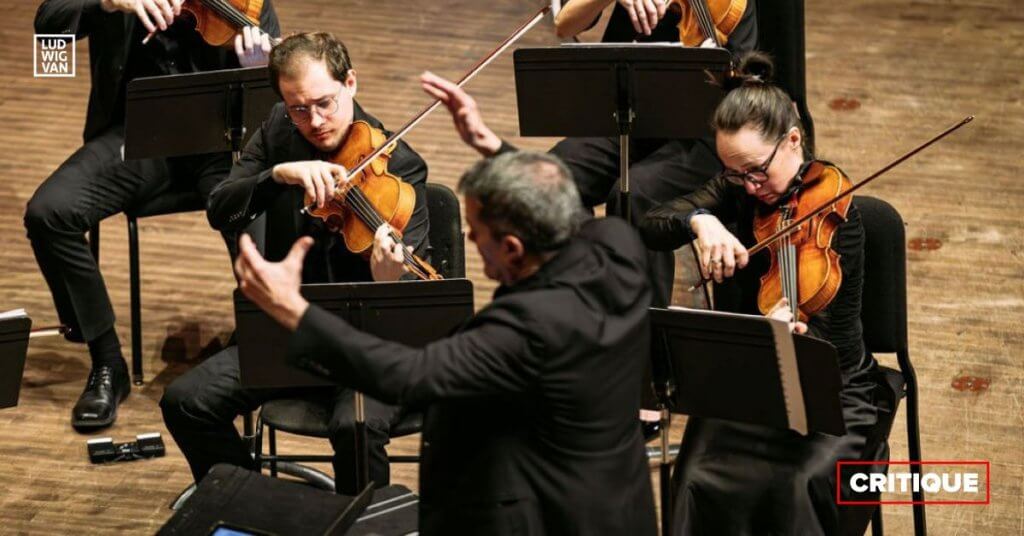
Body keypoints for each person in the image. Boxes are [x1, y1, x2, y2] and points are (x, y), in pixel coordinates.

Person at [233, 149, 658, 534]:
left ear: (512, 248)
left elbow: (407, 375)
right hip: (621, 500)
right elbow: (558, 203)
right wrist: (495, 150)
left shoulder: (524, 330)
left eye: (477, 230)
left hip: (550, 516)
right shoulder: (619, 247)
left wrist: (293, 310)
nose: (469, 238)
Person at [159, 32, 430, 495]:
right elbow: (221, 209)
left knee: (355, 426)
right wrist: (277, 175)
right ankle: (252, 504)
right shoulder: (279, 132)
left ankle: (356, 525)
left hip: (362, 346)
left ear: (350, 83)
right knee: (186, 401)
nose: (315, 121)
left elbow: (411, 295)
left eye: (325, 103)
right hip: (287, 333)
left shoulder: (400, 166)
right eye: (299, 108)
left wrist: (386, 277)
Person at [638, 53, 891, 535]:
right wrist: (700, 220)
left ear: (793, 140)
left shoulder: (837, 213)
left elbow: (835, 339)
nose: (752, 188)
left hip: (832, 392)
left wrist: (785, 336)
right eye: (737, 174)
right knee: (692, 478)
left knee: (795, 487)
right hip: (748, 383)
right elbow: (650, 223)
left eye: (758, 171)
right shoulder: (736, 188)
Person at [26, 0, 280, 431]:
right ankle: (107, 362)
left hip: (222, 144)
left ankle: (250, 354)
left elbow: (280, 86)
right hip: (137, 143)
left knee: (265, 232)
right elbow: (48, 28)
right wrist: (108, 3)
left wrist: (259, 70)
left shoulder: (245, 2)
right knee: (48, 212)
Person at [544, 0, 760, 307]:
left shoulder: (731, 5)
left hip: (703, 133)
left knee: (635, 194)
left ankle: (644, 323)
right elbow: (565, 24)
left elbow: (742, 87)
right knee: (554, 176)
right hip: (635, 117)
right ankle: (582, 301)